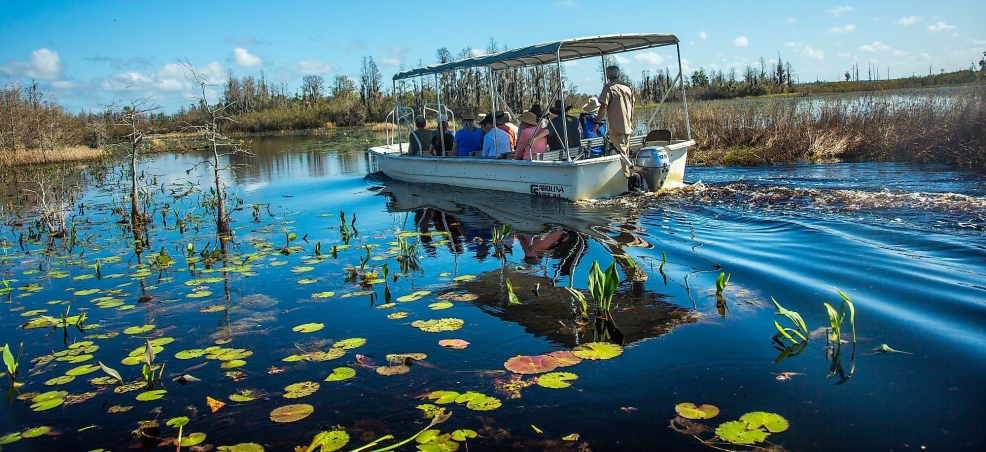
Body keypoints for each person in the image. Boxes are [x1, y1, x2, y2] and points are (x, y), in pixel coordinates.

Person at [595, 65, 635, 175]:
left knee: (620, 154)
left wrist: (597, 123)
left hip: (616, 127)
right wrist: (631, 121)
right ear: (618, 74)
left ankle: (625, 178)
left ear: (608, 75)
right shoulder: (627, 87)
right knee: (625, 152)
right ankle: (628, 175)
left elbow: (603, 106)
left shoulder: (609, 87)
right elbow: (632, 107)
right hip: (628, 126)